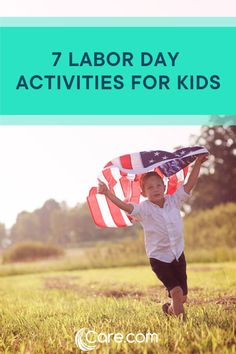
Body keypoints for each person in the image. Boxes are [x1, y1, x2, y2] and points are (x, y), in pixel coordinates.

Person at [98, 153, 208, 318]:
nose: (155, 189)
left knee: (182, 298)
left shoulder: (174, 201)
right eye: (150, 187)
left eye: (158, 185)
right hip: (159, 259)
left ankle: (169, 310)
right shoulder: (144, 210)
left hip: (178, 255)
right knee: (176, 292)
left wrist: (198, 163)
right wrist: (107, 193)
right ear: (143, 192)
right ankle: (184, 327)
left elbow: (189, 184)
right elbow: (126, 207)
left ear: (164, 187)